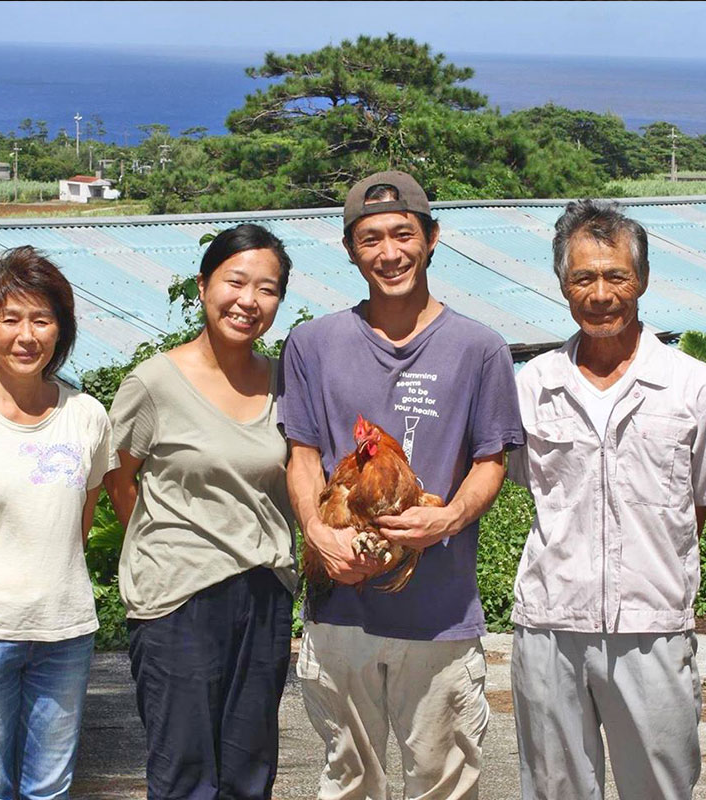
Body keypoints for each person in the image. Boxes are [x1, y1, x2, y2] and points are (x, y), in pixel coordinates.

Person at [278, 170, 524, 799]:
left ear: (432, 236)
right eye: (370, 239)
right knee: (348, 780)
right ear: (349, 249)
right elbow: (302, 454)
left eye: (402, 234)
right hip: (340, 612)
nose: (389, 253)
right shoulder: (312, 344)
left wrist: (448, 519)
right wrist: (315, 532)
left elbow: (490, 460)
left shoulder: (480, 348)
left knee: (443, 784)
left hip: (439, 614)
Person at [508, 199, 706, 800]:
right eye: (583, 277)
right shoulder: (532, 385)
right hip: (550, 625)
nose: (600, 293)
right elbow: (532, 488)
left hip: (652, 627)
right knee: (555, 790)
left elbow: (697, 505)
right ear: (561, 284)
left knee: (658, 789)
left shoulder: (696, 386)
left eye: (615, 275)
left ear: (643, 279)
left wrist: (649, 571)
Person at [104, 223, 298, 800]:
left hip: (264, 593)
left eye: (267, 289)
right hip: (178, 601)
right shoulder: (155, 382)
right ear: (202, 285)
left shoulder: (283, 381)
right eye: (235, 281)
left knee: (249, 771)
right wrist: (171, 543)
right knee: (186, 774)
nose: (248, 301)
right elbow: (118, 480)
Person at [0, 246, 116, 799]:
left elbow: (77, 523)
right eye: (9, 318)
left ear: (61, 330)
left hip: (65, 634)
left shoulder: (86, 415)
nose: (26, 335)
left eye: (42, 318)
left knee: (50, 788)